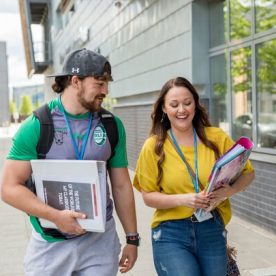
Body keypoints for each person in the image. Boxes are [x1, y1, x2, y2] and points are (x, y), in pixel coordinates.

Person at [1, 48, 140, 276]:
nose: (106, 90)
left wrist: (132, 239)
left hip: (100, 244)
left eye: (107, 83)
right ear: (75, 81)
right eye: (100, 83)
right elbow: (8, 188)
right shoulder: (37, 125)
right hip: (50, 244)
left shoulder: (111, 125)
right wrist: (55, 217)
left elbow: (122, 185)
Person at [133, 77, 255, 276]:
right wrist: (186, 199)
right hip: (170, 233)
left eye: (187, 103)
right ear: (164, 108)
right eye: (174, 104)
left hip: (211, 228)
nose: (182, 110)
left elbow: (248, 174)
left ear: (196, 105)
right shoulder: (153, 146)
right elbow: (148, 196)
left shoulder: (216, 138)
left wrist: (229, 191)